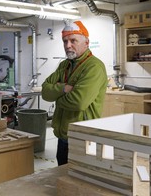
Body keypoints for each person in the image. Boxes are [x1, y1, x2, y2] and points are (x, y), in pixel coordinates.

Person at [41, 21, 108, 166]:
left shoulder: (94, 67)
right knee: (62, 176)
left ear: (86, 42)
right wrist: (64, 88)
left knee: (79, 181)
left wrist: (57, 98)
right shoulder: (64, 65)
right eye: (65, 41)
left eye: (73, 41)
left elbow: (79, 102)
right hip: (63, 135)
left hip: (83, 137)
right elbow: (45, 92)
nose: (67, 45)